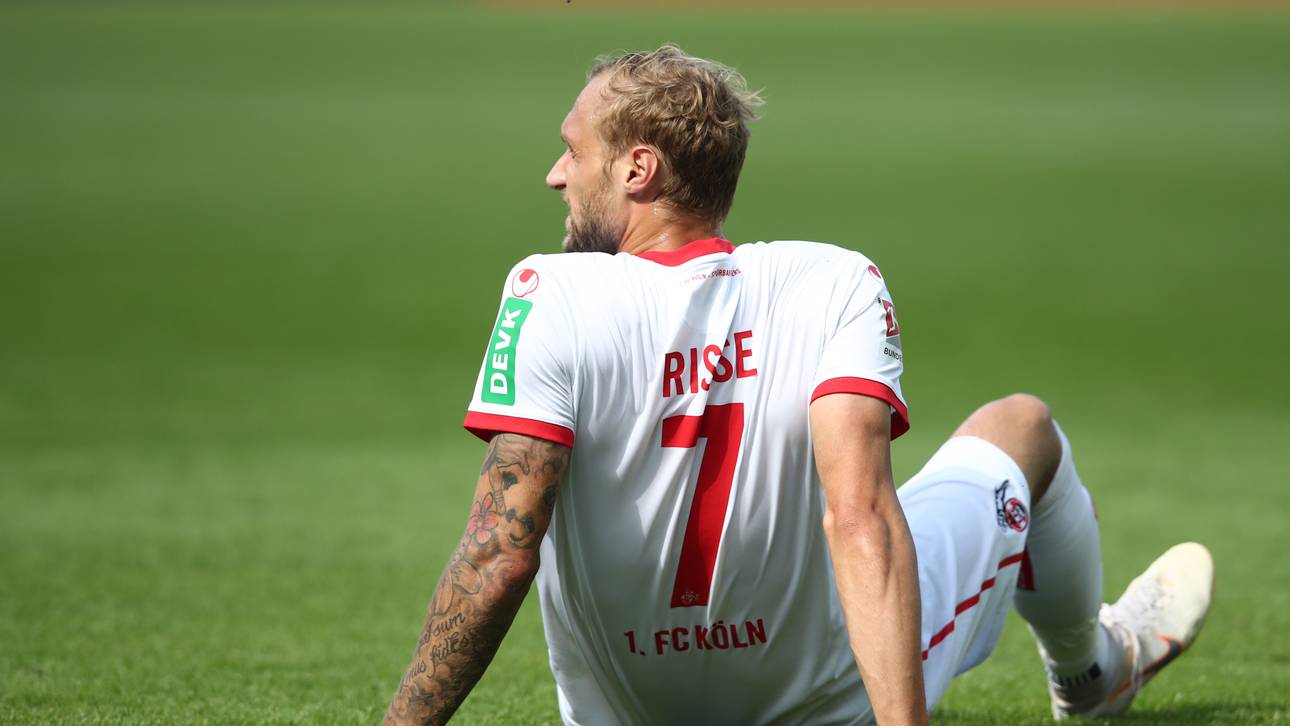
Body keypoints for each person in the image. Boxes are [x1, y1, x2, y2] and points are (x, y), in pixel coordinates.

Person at [384, 45, 1213, 725]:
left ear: (639, 169)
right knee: (1023, 427)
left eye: (572, 150)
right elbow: (860, 516)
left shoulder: (546, 291)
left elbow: (499, 552)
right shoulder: (832, 280)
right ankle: (1094, 670)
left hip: (631, 716)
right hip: (824, 710)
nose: (555, 176)